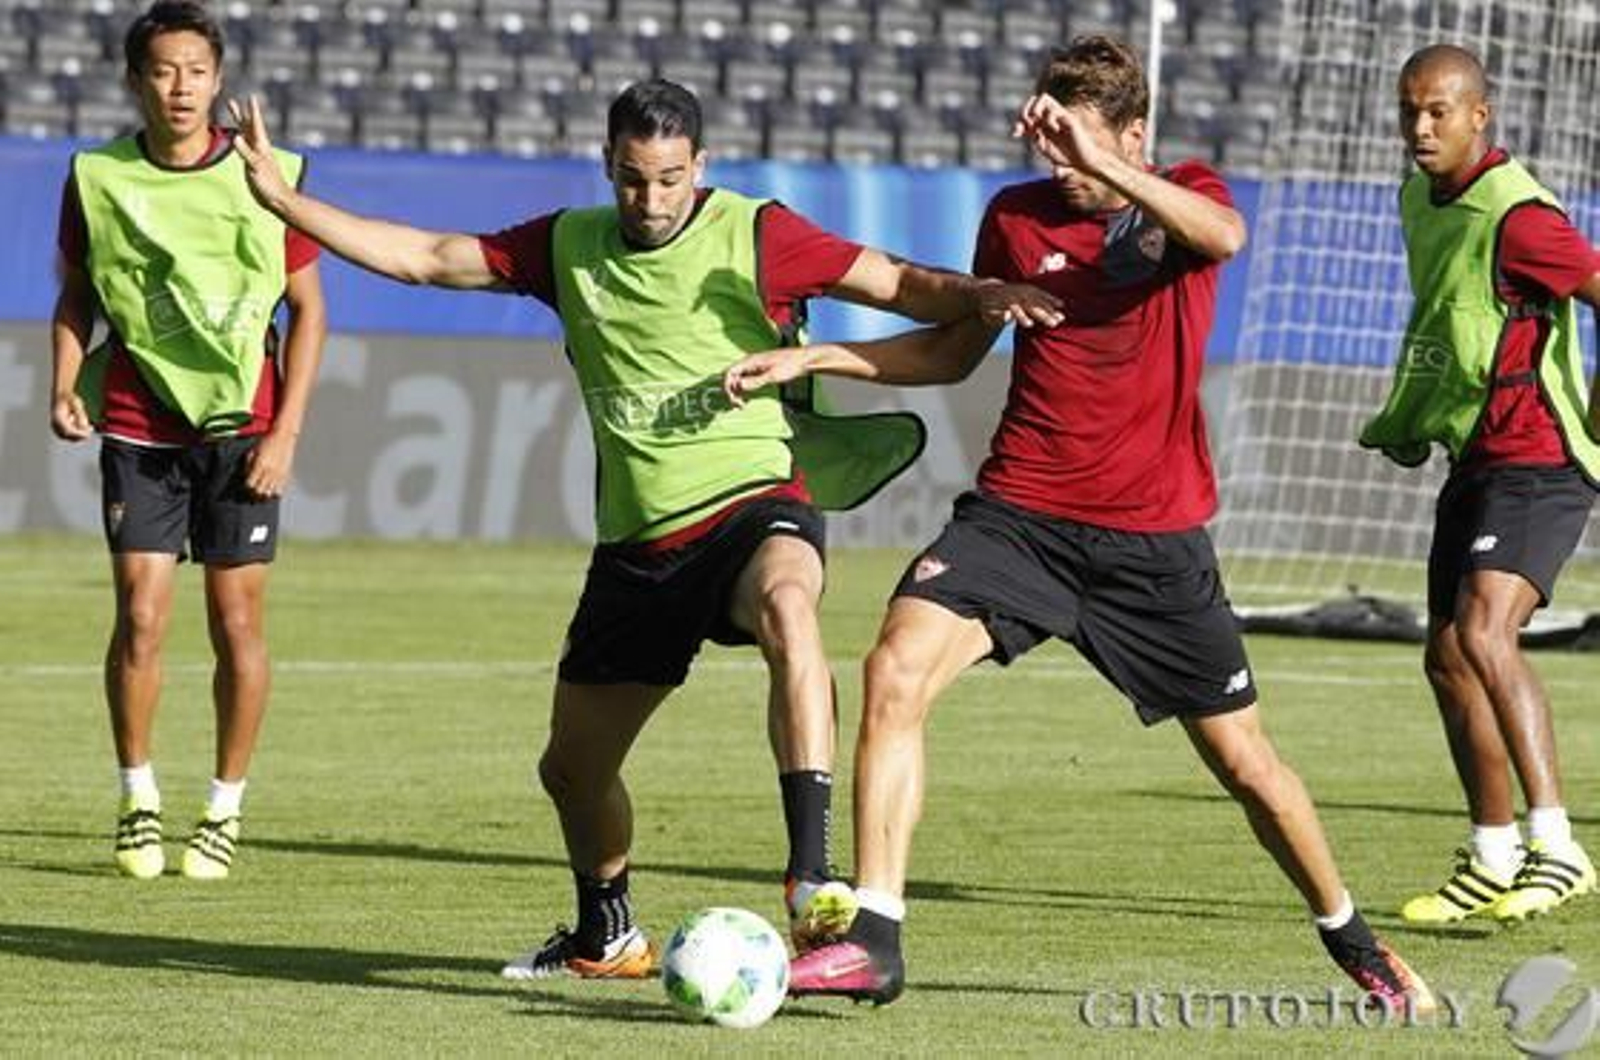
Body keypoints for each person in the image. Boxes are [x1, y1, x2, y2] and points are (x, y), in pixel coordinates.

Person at [226, 79, 1059, 978]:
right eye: (632, 180)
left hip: (755, 497)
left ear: (699, 166)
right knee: (572, 774)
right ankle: (606, 934)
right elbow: (429, 255)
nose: (652, 201)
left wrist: (979, 295)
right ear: (608, 168)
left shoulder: (757, 231)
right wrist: (284, 202)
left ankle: (813, 878)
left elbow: (896, 282)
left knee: (791, 603)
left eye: (669, 179)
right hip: (640, 545)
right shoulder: (566, 246)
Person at [724, 35, 1435, 1012]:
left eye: (1074, 144)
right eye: (1048, 142)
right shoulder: (1014, 219)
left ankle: (1352, 938)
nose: (1056, 164)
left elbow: (1225, 237)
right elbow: (947, 354)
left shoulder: (1180, 196)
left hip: (1152, 542)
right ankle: (875, 938)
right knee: (893, 668)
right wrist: (815, 362)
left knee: (1246, 764)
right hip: (1019, 518)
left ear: (1131, 136)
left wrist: (1105, 164)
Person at [49, 0, 327, 881]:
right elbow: (77, 297)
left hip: (243, 433)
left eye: (196, 71)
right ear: (136, 80)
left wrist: (285, 433)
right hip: (138, 427)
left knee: (236, 624)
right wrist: (62, 382)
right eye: (163, 70)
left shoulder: (267, 172)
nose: (181, 87)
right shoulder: (95, 175)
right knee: (138, 617)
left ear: (218, 78)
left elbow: (310, 312)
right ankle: (137, 796)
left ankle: (222, 809)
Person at [1361, 45, 1599, 924]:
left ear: (1479, 117)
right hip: (1479, 456)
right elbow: (1452, 319)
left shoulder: (1522, 216)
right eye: (1409, 111)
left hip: (1542, 458)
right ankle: (1493, 854)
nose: (1420, 128)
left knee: (1485, 631)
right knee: (1447, 658)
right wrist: (1416, 413)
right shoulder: (1417, 196)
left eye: (1438, 112)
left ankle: (1559, 846)